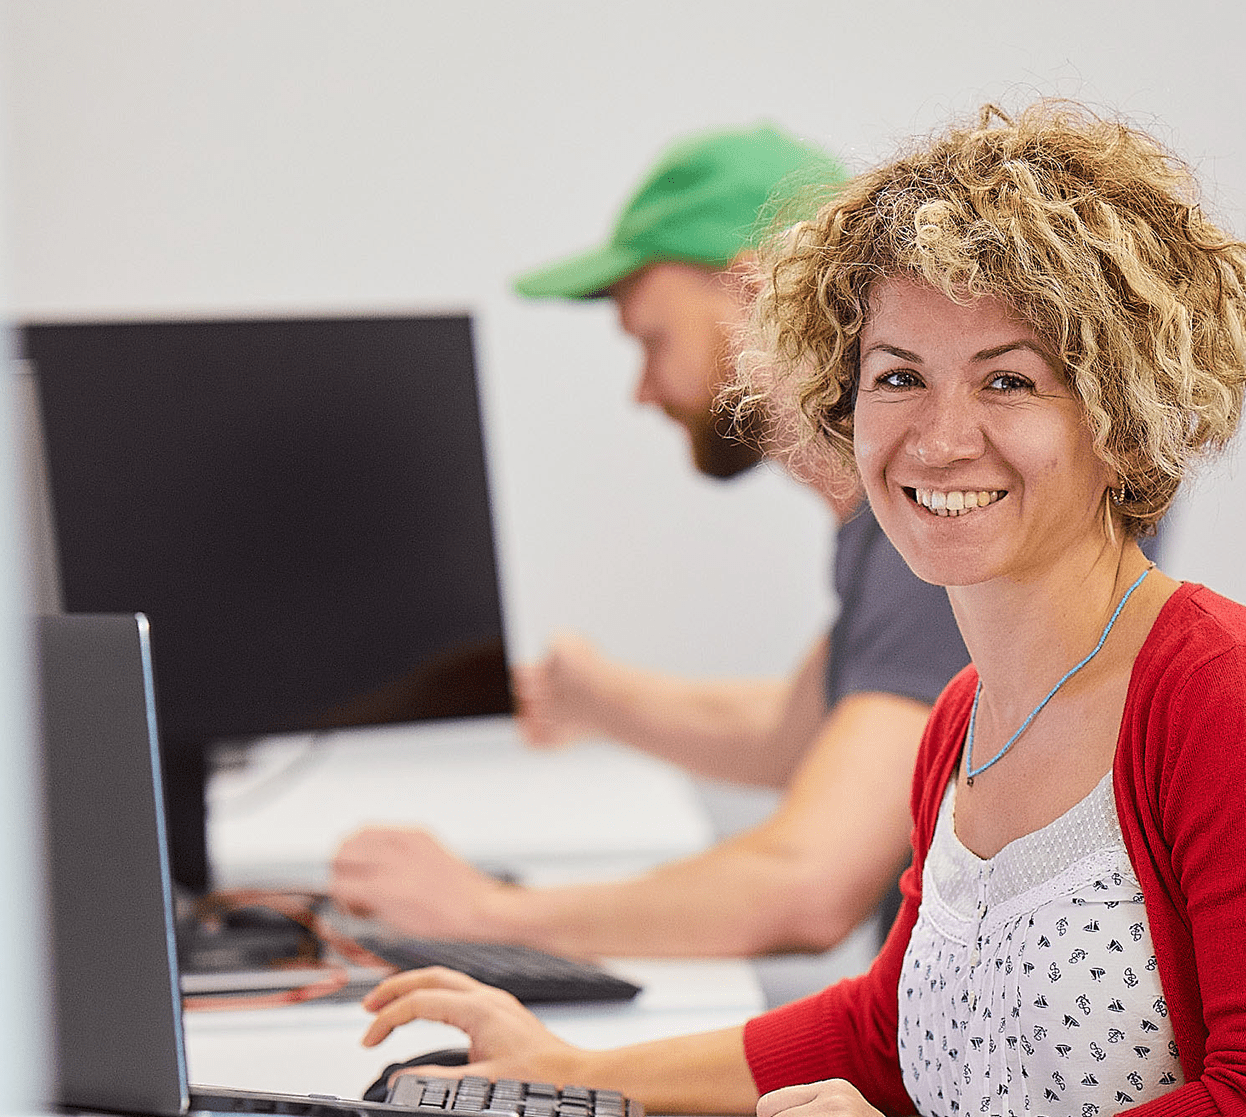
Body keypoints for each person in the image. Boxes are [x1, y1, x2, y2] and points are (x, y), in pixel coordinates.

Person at [355, 102, 1246, 1117]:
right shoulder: (963, 724)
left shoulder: (1232, 701)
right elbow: (888, 1029)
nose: (938, 435)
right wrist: (580, 1069)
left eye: (1008, 380)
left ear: (1123, 416)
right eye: (898, 376)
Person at [330, 126, 970, 961]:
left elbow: (807, 885)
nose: (641, 390)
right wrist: (592, 697)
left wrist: (483, 910)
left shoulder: (938, 522)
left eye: (652, 338)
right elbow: (803, 733)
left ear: (756, 292)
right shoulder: (879, 530)